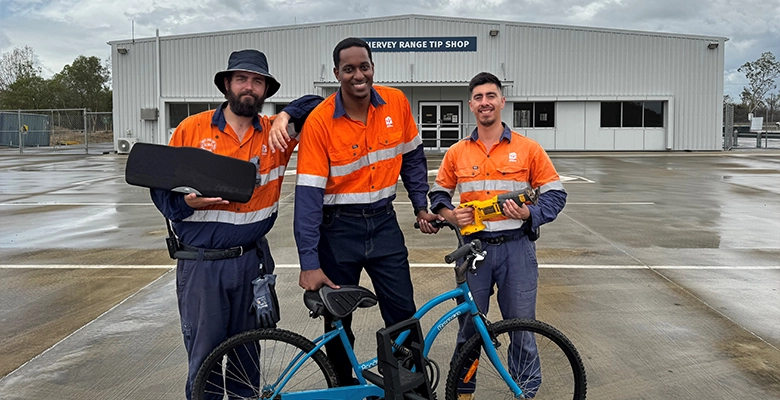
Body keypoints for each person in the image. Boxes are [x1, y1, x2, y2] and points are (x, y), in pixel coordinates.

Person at [150, 49, 322, 400]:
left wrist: (286, 115)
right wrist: (185, 203)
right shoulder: (191, 129)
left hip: (251, 264)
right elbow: (160, 190)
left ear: (265, 91)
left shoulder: (278, 134)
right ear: (227, 84)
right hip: (202, 266)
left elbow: (321, 103)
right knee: (205, 363)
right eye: (242, 79)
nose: (249, 87)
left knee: (248, 361)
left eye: (257, 81)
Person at [292, 37, 438, 385]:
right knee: (338, 322)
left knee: (403, 314)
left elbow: (413, 159)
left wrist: (421, 206)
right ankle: (343, 387)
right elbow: (308, 196)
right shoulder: (319, 122)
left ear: (372, 67)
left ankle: (408, 388)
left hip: (384, 225)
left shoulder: (397, 103)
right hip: (338, 231)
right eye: (349, 69)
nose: (358, 74)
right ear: (336, 73)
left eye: (364, 66)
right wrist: (309, 263)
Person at [425, 72, 567, 399]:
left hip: (517, 250)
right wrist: (448, 214)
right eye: (478, 97)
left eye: (491, 96)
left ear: (502, 101)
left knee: (521, 329)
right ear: (471, 105)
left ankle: (525, 393)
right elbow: (439, 193)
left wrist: (530, 213)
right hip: (473, 252)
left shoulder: (528, 149)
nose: (485, 102)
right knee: (470, 330)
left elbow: (556, 194)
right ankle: (463, 393)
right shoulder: (457, 152)